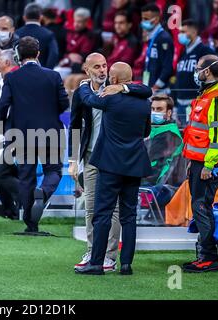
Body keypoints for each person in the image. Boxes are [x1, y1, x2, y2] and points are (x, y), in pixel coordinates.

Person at [68, 53, 152, 271]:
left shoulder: (113, 93)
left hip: (110, 158)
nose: (102, 70)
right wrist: (72, 159)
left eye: (105, 66)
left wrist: (122, 88)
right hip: (92, 155)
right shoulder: (83, 93)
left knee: (110, 210)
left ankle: (108, 256)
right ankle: (94, 250)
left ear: (112, 75)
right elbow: (75, 126)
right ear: (87, 70)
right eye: (97, 66)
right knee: (93, 208)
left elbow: (144, 89)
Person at [0, 36, 69, 233]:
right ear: (38, 54)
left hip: (20, 134)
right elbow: (64, 104)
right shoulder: (53, 76)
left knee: (26, 176)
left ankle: (30, 223)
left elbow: (2, 105)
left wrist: (3, 129)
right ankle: (43, 193)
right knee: (53, 171)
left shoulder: (12, 77)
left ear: (19, 55)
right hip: (51, 133)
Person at [182, 55, 218, 273]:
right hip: (199, 161)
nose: (195, 72)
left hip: (209, 164)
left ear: (207, 71)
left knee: (201, 206)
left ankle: (208, 257)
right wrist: (192, 162)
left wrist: (208, 166)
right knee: (200, 204)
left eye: (197, 68)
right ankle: (206, 254)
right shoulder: (207, 96)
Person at [0, 49, 20, 219]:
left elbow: (5, 109)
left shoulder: (14, 79)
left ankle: (28, 197)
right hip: (3, 133)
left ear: (7, 63)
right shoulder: (2, 79)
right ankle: (12, 211)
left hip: (13, 133)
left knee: (0, 174)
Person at [175, 19, 215, 126]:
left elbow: (212, 77)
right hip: (180, 103)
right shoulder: (183, 52)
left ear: (194, 32)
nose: (180, 35)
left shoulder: (205, 51)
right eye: (180, 32)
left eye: (184, 32)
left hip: (196, 103)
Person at [144, 94, 183, 186]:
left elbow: (145, 154)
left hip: (157, 182)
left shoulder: (170, 133)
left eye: (159, 109)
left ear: (169, 113)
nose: (154, 112)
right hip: (149, 177)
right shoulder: (156, 128)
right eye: (152, 109)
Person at [140, 3, 174, 93]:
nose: (142, 22)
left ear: (156, 20)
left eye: (146, 19)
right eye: (142, 18)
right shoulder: (151, 37)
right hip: (150, 87)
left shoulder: (163, 38)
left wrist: (156, 87)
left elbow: (167, 67)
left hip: (160, 91)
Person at [15, 3, 59, 69]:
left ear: (24, 17)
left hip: (20, 73)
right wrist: (47, 70)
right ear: (41, 17)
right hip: (42, 72)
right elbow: (54, 53)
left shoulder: (17, 33)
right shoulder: (48, 34)